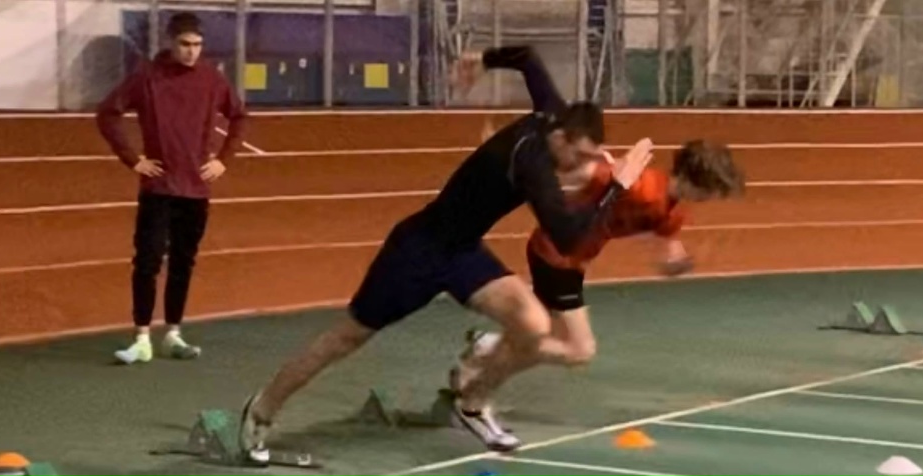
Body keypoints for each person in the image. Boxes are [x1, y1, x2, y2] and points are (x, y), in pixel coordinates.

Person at [236, 45, 653, 464]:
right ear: (560, 138)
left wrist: (483, 60)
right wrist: (616, 187)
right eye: (578, 155)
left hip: (462, 252)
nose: (581, 165)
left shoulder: (553, 114)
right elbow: (566, 237)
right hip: (417, 251)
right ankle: (260, 409)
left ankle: (472, 404)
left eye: (591, 157)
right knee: (345, 338)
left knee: (533, 323)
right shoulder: (532, 165)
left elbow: (527, 57)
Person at [452, 140, 746, 409]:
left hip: (570, 261)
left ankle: (489, 357)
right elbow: (596, 175)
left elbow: (667, 246)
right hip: (557, 257)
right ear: (699, 183)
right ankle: (486, 359)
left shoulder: (669, 211)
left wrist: (677, 264)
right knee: (579, 351)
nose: (713, 196)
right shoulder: (642, 186)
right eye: (714, 189)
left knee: (544, 330)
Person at [95, 12, 247, 364]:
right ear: (170, 42)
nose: (192, 51)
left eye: (197, 45)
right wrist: (133, 159)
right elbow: (107, 113)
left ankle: (173, 333)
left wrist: (224, 159)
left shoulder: (212, 79)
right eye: (185, 44)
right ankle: (142, 337)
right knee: (147, 261)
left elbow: (239, 116)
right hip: (159, 187)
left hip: (196, 190)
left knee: (183, 262)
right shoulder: (147, 77)